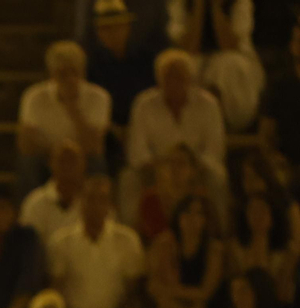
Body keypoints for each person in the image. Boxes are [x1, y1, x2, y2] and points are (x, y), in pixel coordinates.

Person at [125, 49, 226, 217]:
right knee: (128, 180)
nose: (174, 82)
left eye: (179, 76)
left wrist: (189, 170)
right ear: (159, 79)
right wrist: (163, 171)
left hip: (197, 170)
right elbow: (137, 152)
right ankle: (133, 236)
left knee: (218, 178)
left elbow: (214, 151)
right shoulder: (143, 104)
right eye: (168, 76)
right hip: (155, 170)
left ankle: (219, 234)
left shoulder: (209, 105)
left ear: (190, 78)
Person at [47, 176, 147, 308]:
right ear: (80, 202)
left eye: (102, 199)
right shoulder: (61, 241)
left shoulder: (127, 240)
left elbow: (133, 290)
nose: (95, 205)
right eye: (90, 199)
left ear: (110, 205)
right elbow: (56, 289)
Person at [17, 41, 111, 193]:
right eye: (63, 73)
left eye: (74, 72)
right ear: (52, 73)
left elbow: (94, 146)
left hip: (82, 158)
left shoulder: (99, 97)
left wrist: (72, 107)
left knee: (96, 163)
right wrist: (57, 156)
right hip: (47, 157)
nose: (70, 79)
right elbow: (25, 144)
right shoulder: (33, 96)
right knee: (28, 162)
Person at [87, 0, 170, 155]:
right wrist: (112, 128)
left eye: (118, 26)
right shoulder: (91, 66)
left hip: (146, 126)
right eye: (106, 28)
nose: (113, 32)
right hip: (109, 134)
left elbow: (155, 94)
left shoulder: (146, 59)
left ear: (128, 27)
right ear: (98, 32)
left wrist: (137, 127)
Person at [167, 0, 265, 131]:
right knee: (186, 66)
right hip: (197, 58)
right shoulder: (180, 3)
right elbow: (190, 46)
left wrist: (215, 7)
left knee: (228, 66)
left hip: (233, 59)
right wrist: (199, 6)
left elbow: (229, 45)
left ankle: (225, 126)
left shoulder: (239, 3)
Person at [147, 192, 223, 308]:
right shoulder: (166, 244)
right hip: (175, 307)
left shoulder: (214, 249)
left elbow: (206, 293)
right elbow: (153, 285)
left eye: (198, 213)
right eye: (186, 212)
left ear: (205, 219)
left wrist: (173, 291)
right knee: (164, 306)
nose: (191, 218)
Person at [227, 194, 295, 308]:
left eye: (262, 210)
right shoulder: (235, 248)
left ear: (272, 215)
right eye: (252, 210)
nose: (257, 215)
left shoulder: (287, 252)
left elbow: (283, 293)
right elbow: (234, 287)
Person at [20, 139, 91, 248]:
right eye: (62, 160)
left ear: (83, 164)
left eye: (72, 161)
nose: (67, 166)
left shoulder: (95, 202)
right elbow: (28, 246)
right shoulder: (35, 203)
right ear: (51, 164)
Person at [258, 21, 300, 165]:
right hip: (289, 163)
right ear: (292, 46)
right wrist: (273, 158)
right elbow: (266, 134)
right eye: (298, 41)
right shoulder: (279, 85)